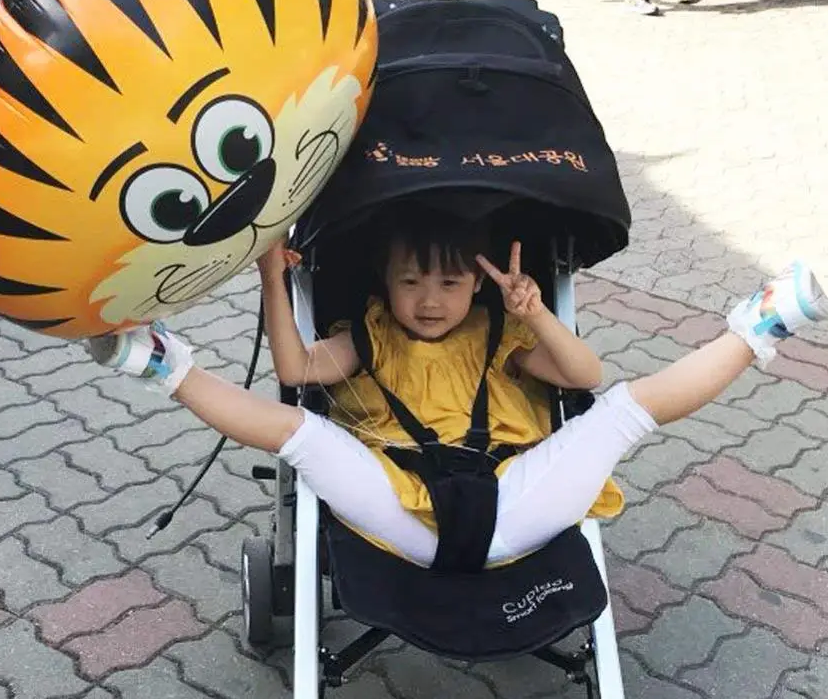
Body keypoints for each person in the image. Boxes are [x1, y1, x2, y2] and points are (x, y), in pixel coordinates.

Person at [97, 205, 828, 571]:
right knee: (302, 433)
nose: (428, 300)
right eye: (410, 281)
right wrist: (271, 276)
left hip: (517, 503)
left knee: (620, 413)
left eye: (450, 283)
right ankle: (166, 365)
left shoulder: (501, 338)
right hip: (399, 511)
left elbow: (587, 377)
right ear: (385, 283)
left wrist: (534, 313)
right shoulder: (370, 336)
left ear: (476, 287)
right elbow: (293, 373)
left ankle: (758, 327)